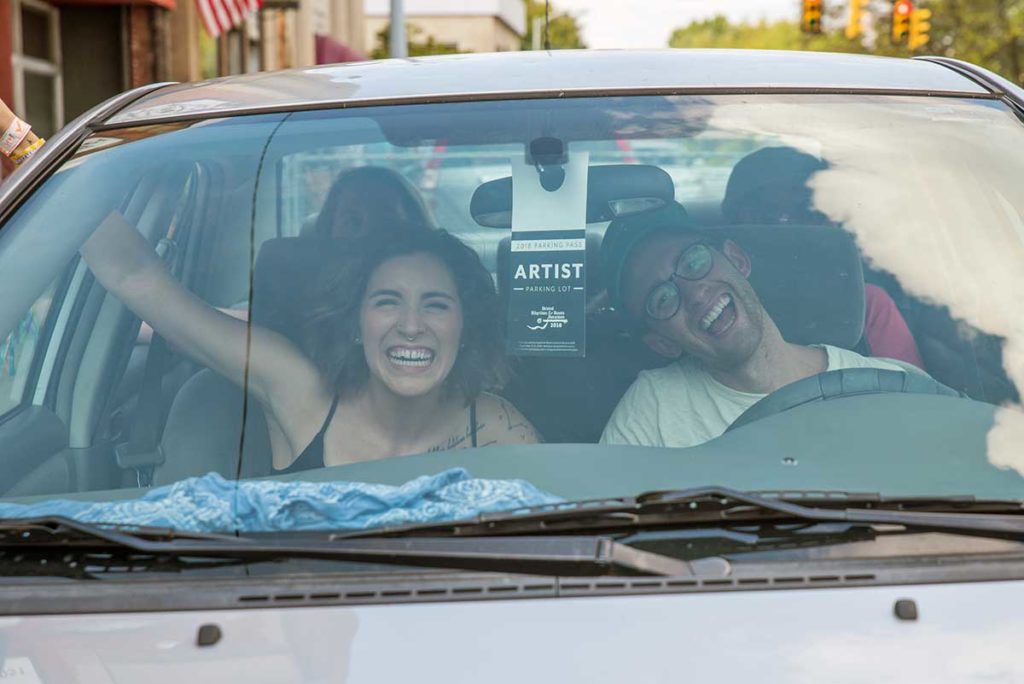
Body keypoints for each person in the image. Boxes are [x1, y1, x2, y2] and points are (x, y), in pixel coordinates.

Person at [81, 214, 538, 471]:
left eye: (436, 305)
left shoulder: (498, 429)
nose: (411, 325)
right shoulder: (300, 393)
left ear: (465, 326)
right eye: (387, 301)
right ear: (356, 321)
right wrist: (15, 140)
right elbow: (135, 275)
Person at [598, 202, 906, 449]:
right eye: (662, 299)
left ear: (737, 259)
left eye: (693, 262)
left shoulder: (883, 385)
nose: (694, 294)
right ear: (663, 344)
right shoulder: (654, 409)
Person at [721, 146, 924, 369]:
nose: (800, 229)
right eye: (773, 215)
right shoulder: (706, 309)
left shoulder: (867, 304)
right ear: (740, 223)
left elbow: (914, 395)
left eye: (814, 214)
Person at [306, 165, 436, 240]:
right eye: (353, 222)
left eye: (386, 221)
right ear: (328, 230)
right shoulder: (305, 285)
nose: (368, 233)